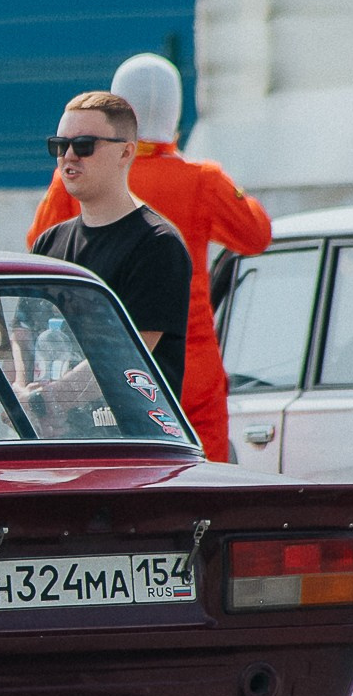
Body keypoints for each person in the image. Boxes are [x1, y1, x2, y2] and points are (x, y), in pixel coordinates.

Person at [0, 90, 195, 696]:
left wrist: (52, 398)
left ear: (126, 152)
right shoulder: (50, 246)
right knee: (52, 615)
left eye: (82, 145)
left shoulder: (155, 244)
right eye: (58, 146)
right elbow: (23, 346)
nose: (67, 159)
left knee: (122, 618)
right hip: (57, 460)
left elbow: (134, 353)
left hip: (125, 462)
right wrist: (20, 396)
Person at [25, 54, 271, 457]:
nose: (70, 153)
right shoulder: (202, 179)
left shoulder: (73, 178)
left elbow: (37, 252)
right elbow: (257, 233)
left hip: (84, 372)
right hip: (192, 360)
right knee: (201, 485)